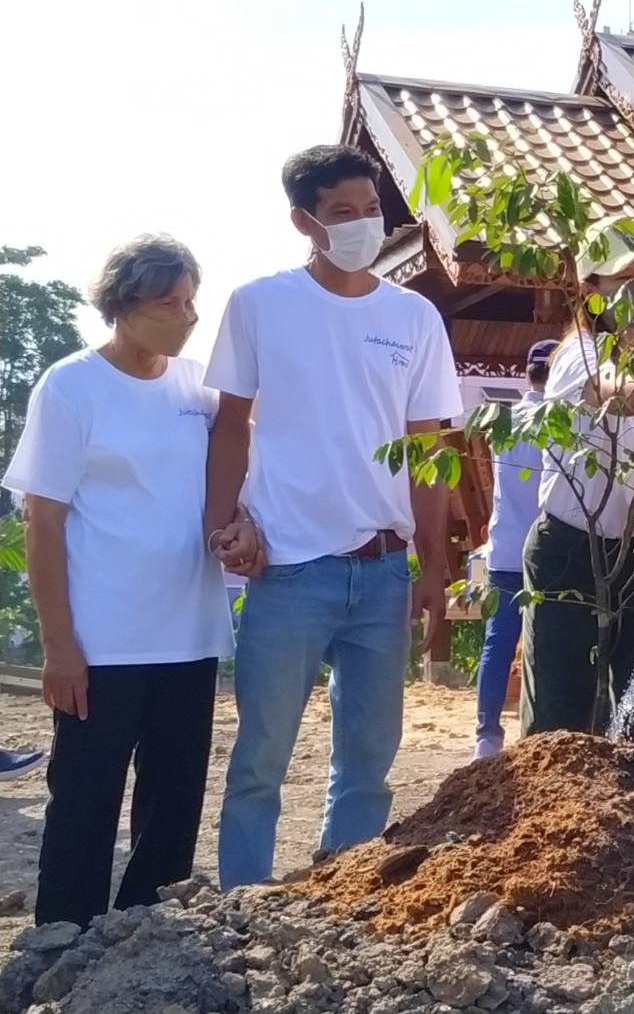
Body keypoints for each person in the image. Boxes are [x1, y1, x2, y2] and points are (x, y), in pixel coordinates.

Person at [205, 145, 462, 889]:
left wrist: (434, 572)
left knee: (370, 760)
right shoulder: (260, 304)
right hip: (287, 568)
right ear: (303, 220)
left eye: (369, 210)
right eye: (341, 213)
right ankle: (242, 902)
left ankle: (339, 892)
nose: (360, 225)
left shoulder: (412, 317)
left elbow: (428, 451)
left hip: (382, 570)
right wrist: (222, 522)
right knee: (260, 757)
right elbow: (229, 426)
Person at [2, 235, 240, 926]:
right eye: (169, 301)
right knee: (85, 793)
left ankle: (147, 929)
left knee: (173, 796)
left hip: (188, 631)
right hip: (102, 638)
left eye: (191, 300)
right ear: (122, 305)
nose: (185, 314)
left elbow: (228, 487)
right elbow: (42, 523)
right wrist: (59, 645)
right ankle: (65, 934)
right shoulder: (72, 385)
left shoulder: (197, 387)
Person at [519, 218, 634, 737]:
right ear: (591, 288)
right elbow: (610, 390)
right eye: (628, 282)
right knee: (562, 720)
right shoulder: (579, 355)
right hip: (572, 551)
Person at [473, 339, 556, 759]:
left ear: (527, 373)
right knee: (548, 640)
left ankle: (486, 735)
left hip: (504, 544)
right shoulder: (562, 419)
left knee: (498, 640)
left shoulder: (501, 421)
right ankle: (538, 729)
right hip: (545, 547)